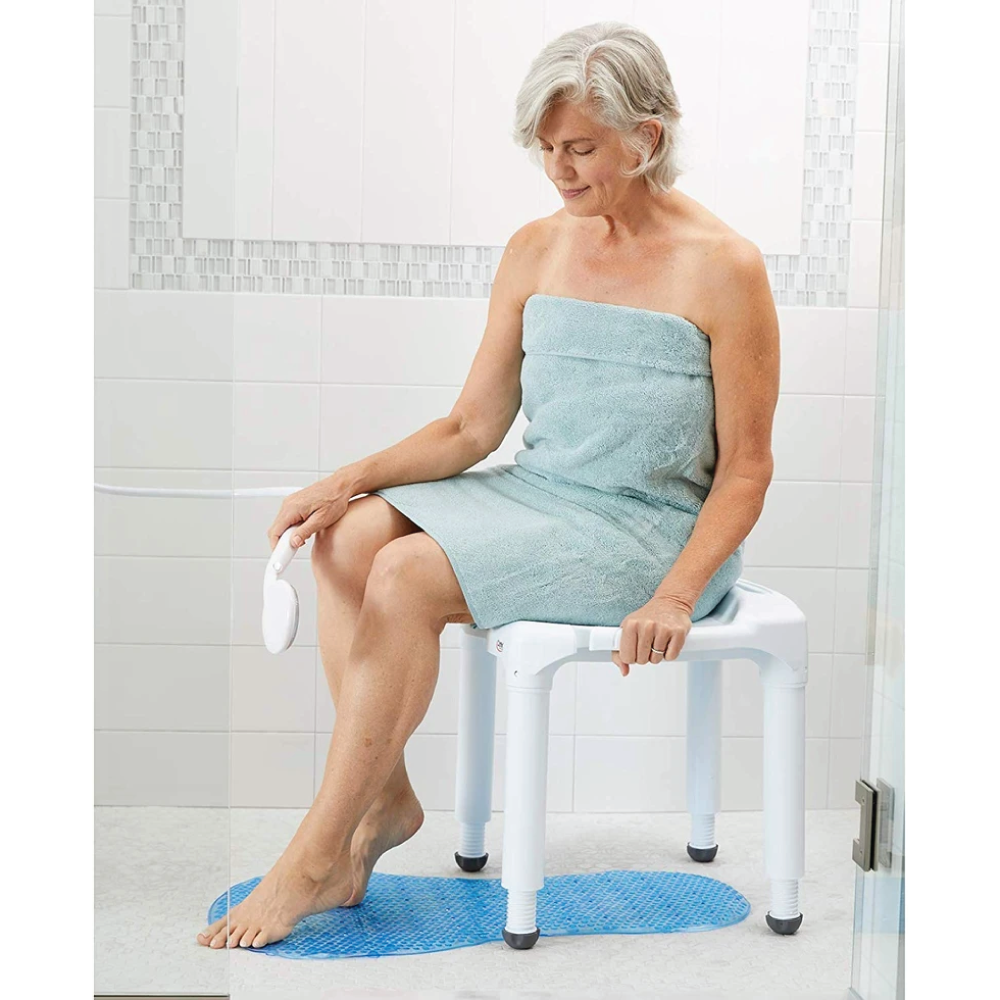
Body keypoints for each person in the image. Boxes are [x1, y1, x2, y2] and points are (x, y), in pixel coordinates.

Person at [198, 20, 779, 951]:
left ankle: (315, 857)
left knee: (405, 575)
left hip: (653, 534)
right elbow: (473, 428)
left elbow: (748, 467)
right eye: (546, 148)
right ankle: (382, 798)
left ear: (649, 138)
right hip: (541, 495)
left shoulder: (724, 268)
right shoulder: (536, 248)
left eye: (581, 147)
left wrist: (676, 593)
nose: (559, 168)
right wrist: (344, 479)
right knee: (350, 536)